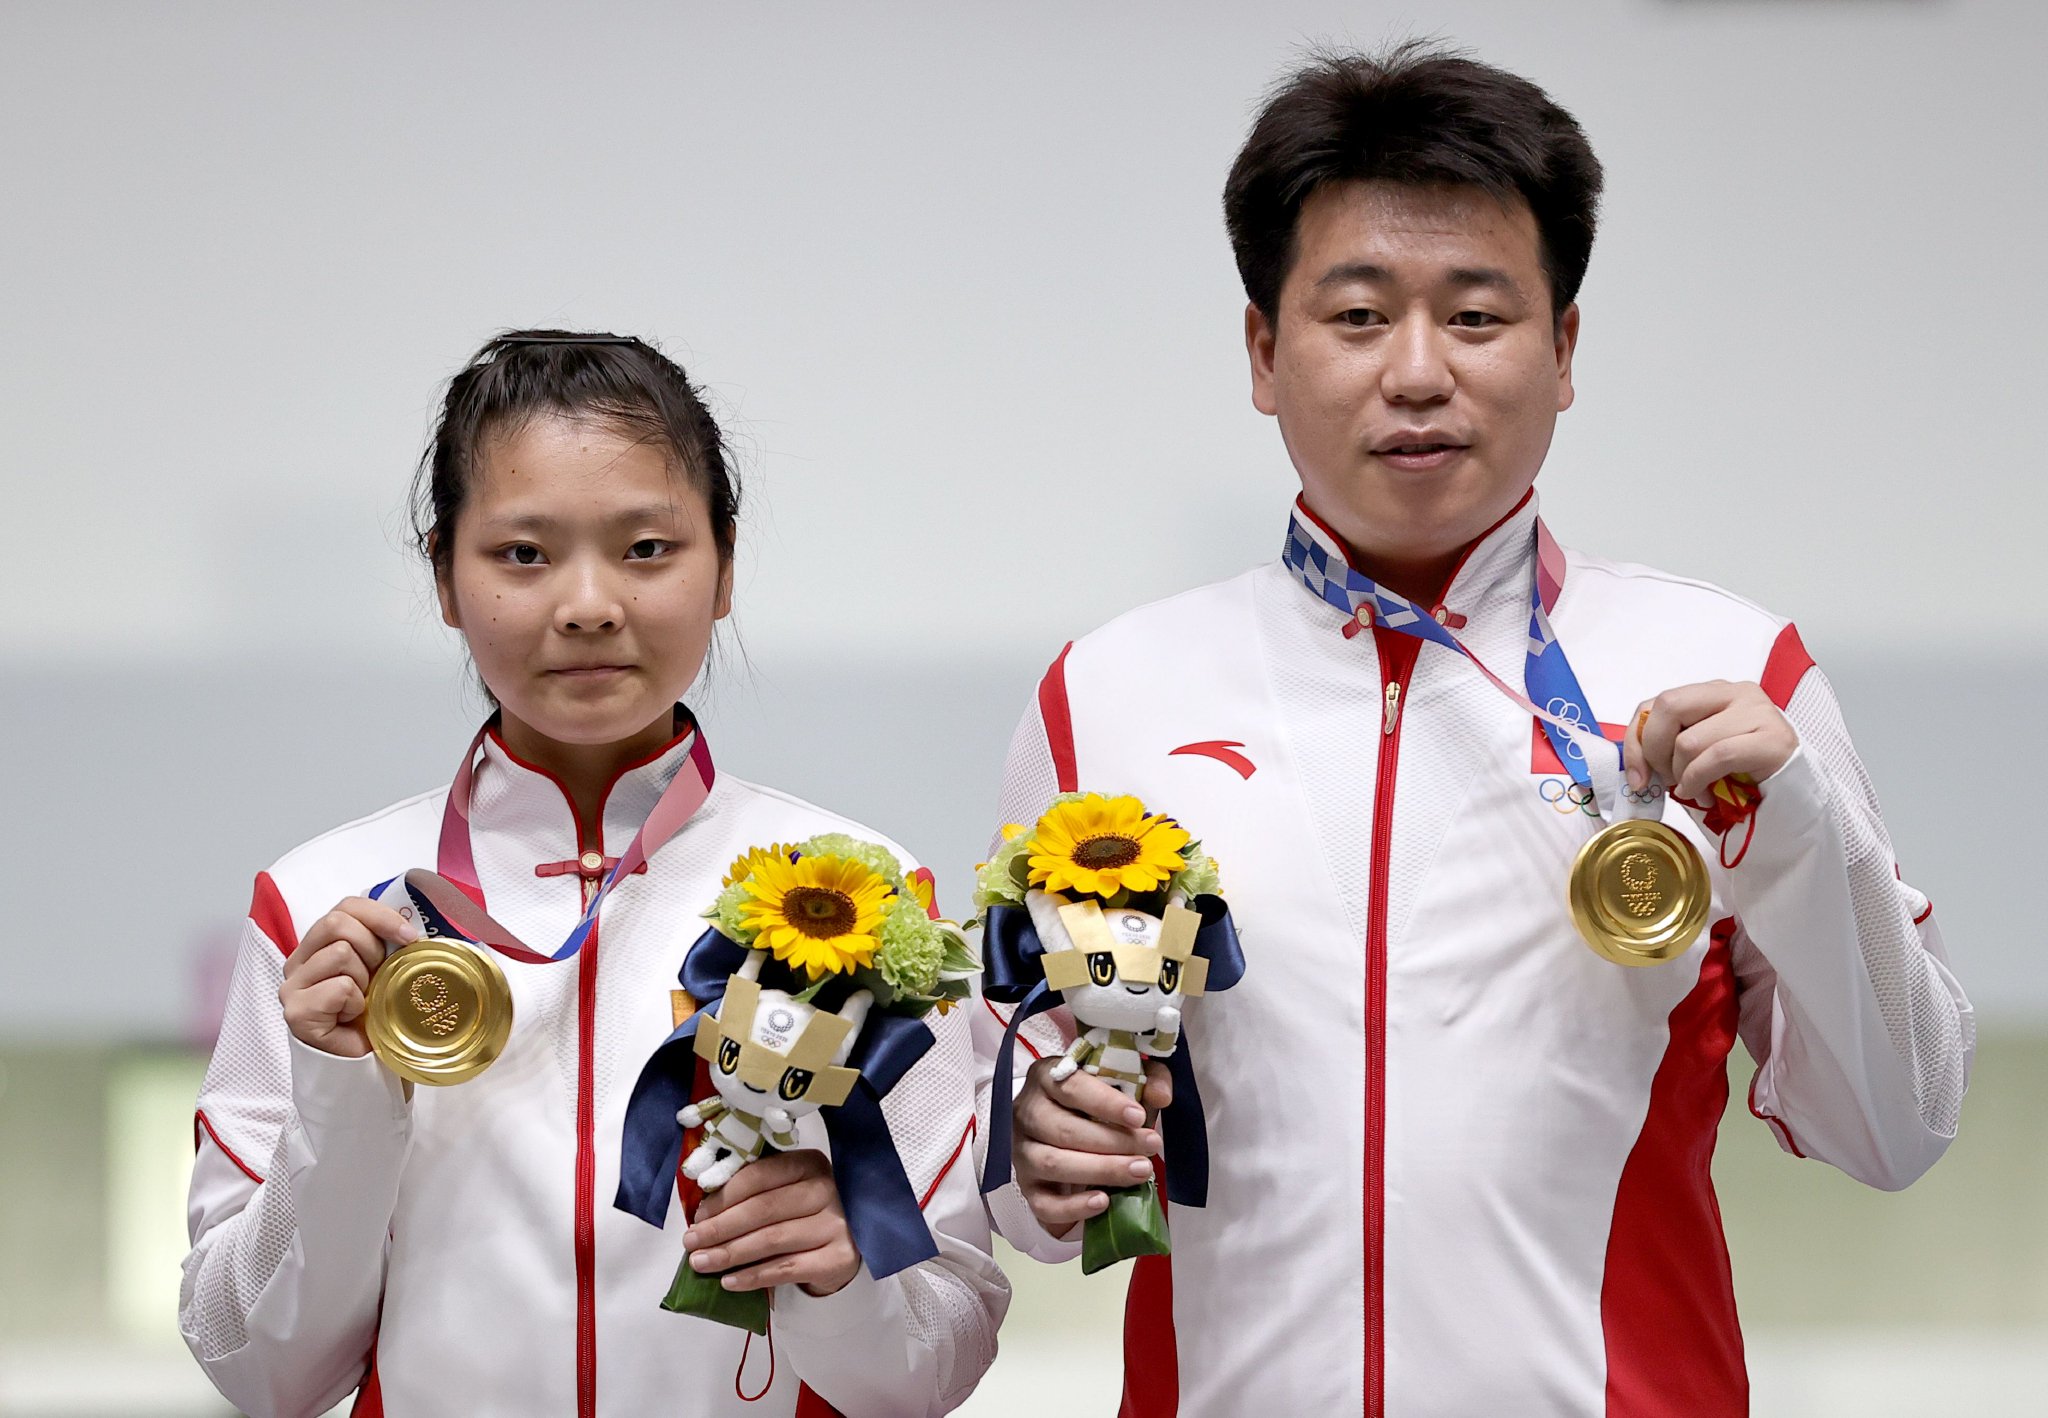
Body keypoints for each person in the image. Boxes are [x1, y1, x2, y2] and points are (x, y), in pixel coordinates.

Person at [982, 44, 1973, 1416]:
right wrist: (1034, 1142)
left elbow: (1897, 1125)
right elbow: (1030, 1194)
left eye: (1477, 315)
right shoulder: (1108, 692)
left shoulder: (1734, 670)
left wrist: (1801, 827)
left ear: (1564, 350)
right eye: (1357, 315)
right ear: (1264, 353)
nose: (1417, 372)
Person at [182, 331, 1004, 1418]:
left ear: (724, 566)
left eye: (647, 548)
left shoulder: (862, 895)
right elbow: (255, 1367)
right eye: (522, 554)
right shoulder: (323, 907)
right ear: (443, 575)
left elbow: (932, 1368)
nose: (586, 603)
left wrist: (841, 1275)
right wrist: (340, 1093)